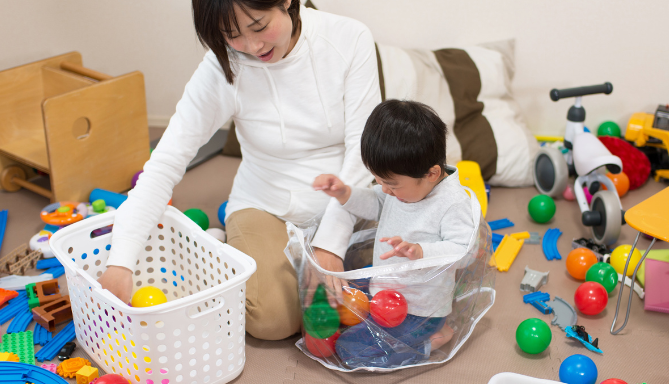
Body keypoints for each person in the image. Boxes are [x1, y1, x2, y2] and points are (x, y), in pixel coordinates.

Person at [98, 0, 380, 341]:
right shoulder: (222, 66)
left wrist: (331, 244)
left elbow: (364, 151)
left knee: (407, 279)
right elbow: (166, 161)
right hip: (266, 204)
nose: (252, 46)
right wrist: (121, 262)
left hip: (349, 200)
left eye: (259, 27)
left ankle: (255, 259)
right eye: (232, 35)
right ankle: (228, 258)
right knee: (273, 321)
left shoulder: (348, 38)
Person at [312, 100, 476, 368]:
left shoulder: (452, 202)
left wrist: (421, 251)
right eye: (378, 180)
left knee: (349, 350)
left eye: (391, 185)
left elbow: (463, 249)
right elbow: (376, 202)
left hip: (419, 309)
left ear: (432, 174)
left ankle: (430, 340)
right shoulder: (402, 186)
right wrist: (343, 193)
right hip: (386, 287)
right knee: (332, 304)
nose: (385, 190)